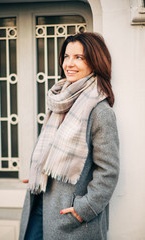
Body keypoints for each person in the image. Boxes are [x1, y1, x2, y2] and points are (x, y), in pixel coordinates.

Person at [19, 32, 119, 240]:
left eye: (79, 57)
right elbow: (54, 150)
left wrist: (84, 209)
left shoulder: (99, 110)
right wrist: (41, 169)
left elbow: (108, 171)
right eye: (66, 56)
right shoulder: (60, 100)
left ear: (95, 62)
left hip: (68, 216)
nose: (69, 64)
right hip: (40, 201)